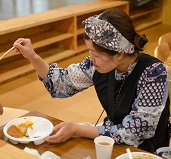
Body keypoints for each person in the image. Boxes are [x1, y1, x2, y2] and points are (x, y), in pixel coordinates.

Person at [13, 8, 170, 152]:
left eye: (95, 54)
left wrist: (76, 129)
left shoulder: (154, 73)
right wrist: (33, 57)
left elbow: (134, 133)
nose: (91, 59)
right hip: (110, 140)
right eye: (90, 53)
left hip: (146, 150)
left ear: (119, 54)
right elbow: (62, 83)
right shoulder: (98, 65)